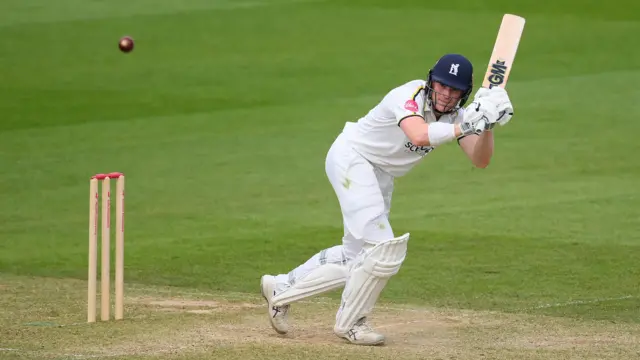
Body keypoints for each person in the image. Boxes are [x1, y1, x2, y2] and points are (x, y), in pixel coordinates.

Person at [260, 53, 514, 346]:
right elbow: (418, 135)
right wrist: (469, 125)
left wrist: (488, 125)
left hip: (379, 174)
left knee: (358, 256)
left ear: (463, 93)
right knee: (382, 250)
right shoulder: (408, 95)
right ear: (431, 81)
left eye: (453, 90)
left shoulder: (458, 116)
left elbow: (479, 159)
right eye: (441, 85)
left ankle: (280, 288)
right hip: (353, 159)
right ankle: (352, 324)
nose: (445, 94)